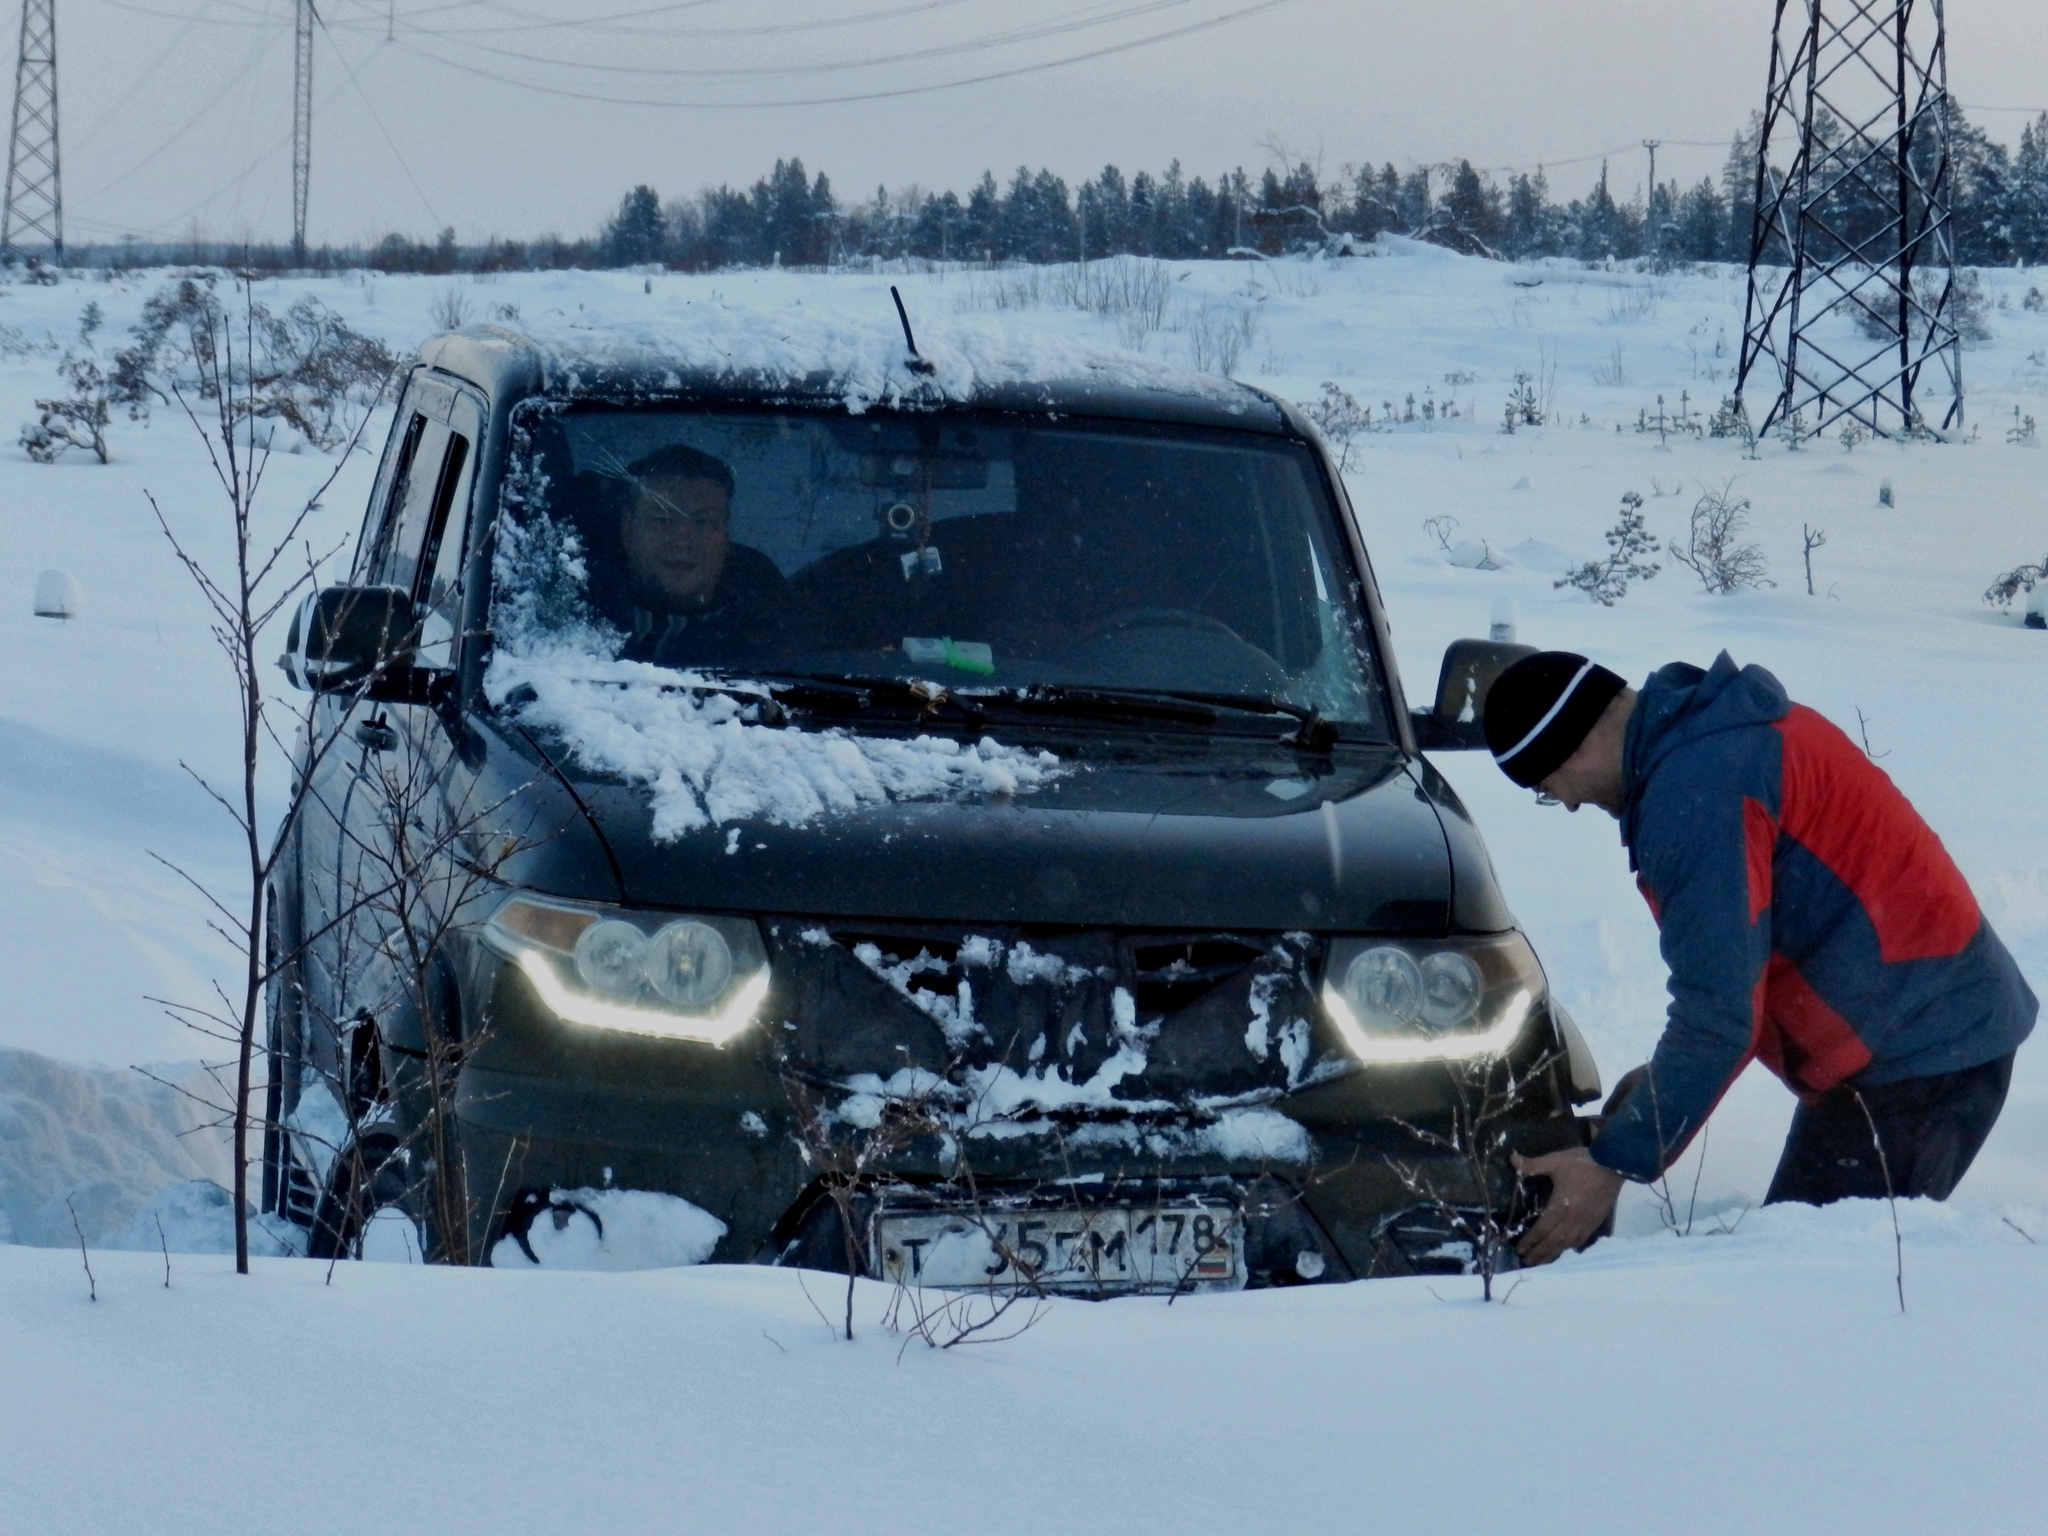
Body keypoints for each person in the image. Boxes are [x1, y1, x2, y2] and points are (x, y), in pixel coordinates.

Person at [1484, 650, 2034, 1265]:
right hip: (1920, 1030)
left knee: (1815, 1287)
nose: (1567, 805)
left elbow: (1718, 1017)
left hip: (1924, 1052)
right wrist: (1661, 1090)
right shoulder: (1716, 736)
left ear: (1574, 746)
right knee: (1800, 1268)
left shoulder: (1696, 795)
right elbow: (1741, 979)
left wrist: (1616, 1162)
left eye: (1546, 787)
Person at [608, 443, 785, 666]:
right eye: (662, 520)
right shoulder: (571, 611)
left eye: (703, 522)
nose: (682, 541)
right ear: (628, 528)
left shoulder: (769, 626)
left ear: (724, 535)